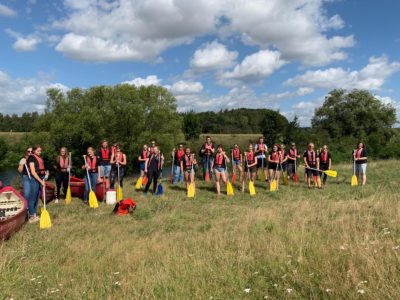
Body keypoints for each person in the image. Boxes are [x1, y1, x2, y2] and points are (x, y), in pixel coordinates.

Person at [27, 145, 48, 223]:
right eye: (38, 151)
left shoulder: (38, 157)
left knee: (36, 197)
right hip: (35, 180)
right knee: (32, 198)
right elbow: (33, 172)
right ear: (34, 151)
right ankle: (31, 217)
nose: (40, 152)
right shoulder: (31, 158)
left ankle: (34, 214)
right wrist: (40, 181)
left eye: (40, 151)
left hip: (40, 179)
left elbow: (39, 168)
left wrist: (44, 173)